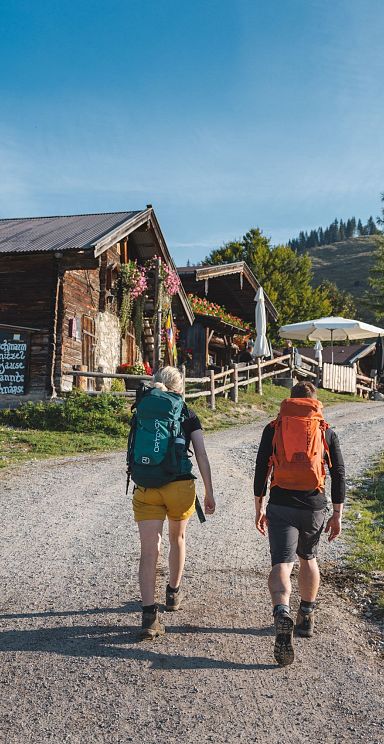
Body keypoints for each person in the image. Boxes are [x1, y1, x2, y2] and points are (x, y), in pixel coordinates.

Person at [254, 381, 345, 666]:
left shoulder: (274, 427)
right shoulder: (325, 430)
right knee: (308, 558)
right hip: (314, 506)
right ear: (315, 402)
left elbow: (261, 468)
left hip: (280, 503)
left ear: (290, 401)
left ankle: (282, 611)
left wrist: (259, 507)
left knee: (282, 564)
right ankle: (306, 614)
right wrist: (337, 513)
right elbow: (339, 472)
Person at [130, 366, 215, 640]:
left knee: (148, 550)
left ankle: (148, 615)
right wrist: (209, 491)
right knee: (177, 538)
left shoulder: (143, 408)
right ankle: (173, 593)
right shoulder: (187, 413)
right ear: (180, 388)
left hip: (146, 484)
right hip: (179, 486)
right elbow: (200, 453)